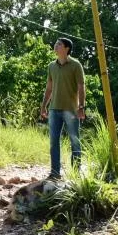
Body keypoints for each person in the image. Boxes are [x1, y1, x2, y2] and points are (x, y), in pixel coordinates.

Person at [39, 37, 85, 179]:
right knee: (53, 142)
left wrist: (81, 107)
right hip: (54, 109)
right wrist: (43, 106)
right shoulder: (51, 66)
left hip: (71, 110)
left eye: (59, 45)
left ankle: (76, 174)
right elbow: (49, 88)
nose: (55, 46)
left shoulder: (76, 65)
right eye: (56, 44)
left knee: (74, 141)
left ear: (67, 49)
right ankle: (54, 173)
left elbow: (81, 88)